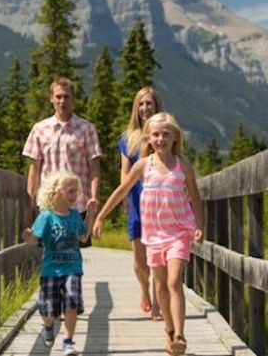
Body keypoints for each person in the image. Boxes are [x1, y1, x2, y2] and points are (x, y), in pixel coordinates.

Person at [93, 112, 204, 355]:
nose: (161, 138)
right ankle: (168, 329)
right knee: (161, 285)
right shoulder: (144, 165)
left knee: (175, 280)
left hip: (179, 231)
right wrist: (101, 216)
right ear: (148, 138)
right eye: (156, 134)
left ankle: (180, 335)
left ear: (175, 137)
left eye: (166, 134)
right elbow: (122, 190)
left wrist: (199, 226)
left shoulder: (183, 166)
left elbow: (195, 198)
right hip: (153, 234)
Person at [22, 171, 98, 356]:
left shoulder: (73, 216)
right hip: (51, 270)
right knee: (49, 312)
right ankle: (49, 327)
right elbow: (35, 240)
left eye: (75, 191)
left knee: (72, 302)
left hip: (73, 268)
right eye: (70, 191)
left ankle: (68, 341)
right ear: (55, 193)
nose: (74, 195)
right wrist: (29, 237)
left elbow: (83, 237)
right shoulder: (46, 216)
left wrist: (90, 215)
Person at [23, 77, 102, 247]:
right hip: (48, 204)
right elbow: (34, 170)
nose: (62, 101)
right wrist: (29, 202)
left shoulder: (87, 129)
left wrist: (94, 197)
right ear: (51, 98)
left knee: (73, 254)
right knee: (49, 253)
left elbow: (94, 169)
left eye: (66, 97)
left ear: (73, 99)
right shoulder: (39, 129)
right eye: (58, 97)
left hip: (77, 205)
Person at [118, 86, 164, 320]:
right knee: (139, 258)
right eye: (142, 104)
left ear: (157, 106)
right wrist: (125, 197)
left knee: (158, 254)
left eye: (150, 103)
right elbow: (125, 173)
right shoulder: (128, 139)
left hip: (161, 203)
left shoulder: (163, 133)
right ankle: (144, 289)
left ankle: (158, 302)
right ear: (136, 108)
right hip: (137, 200)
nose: (146, 108)